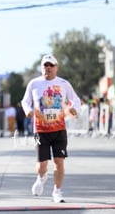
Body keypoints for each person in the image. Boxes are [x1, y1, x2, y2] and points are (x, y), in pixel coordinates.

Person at [21, 54, 81, 203]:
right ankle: (41, 177)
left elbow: (76, 99)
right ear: (42, 68)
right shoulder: (33, 84)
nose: (48, 68)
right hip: (40, 130)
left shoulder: (63, 83)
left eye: (51, 65)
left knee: (59, 161)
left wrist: (74, 108)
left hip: (59, 130)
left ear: (56, 67)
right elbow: (25, 101)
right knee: (42, 165)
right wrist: (28, 110)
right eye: (45, 65)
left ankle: (57, 191)